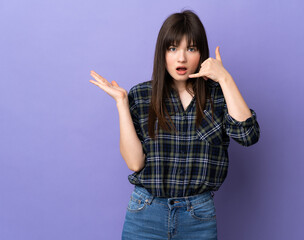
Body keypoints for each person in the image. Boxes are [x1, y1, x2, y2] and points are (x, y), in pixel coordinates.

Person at [89, 9, 260, 240]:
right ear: (163, 53)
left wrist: (225, 79)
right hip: (145, 214)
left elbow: (248, 136)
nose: (181, 58)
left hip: (198, 217)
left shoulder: (218, 95)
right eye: (173, 48)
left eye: (191, 48)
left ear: (202, 54)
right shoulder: (141, 96)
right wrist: (121, 102)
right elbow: (134, 162)